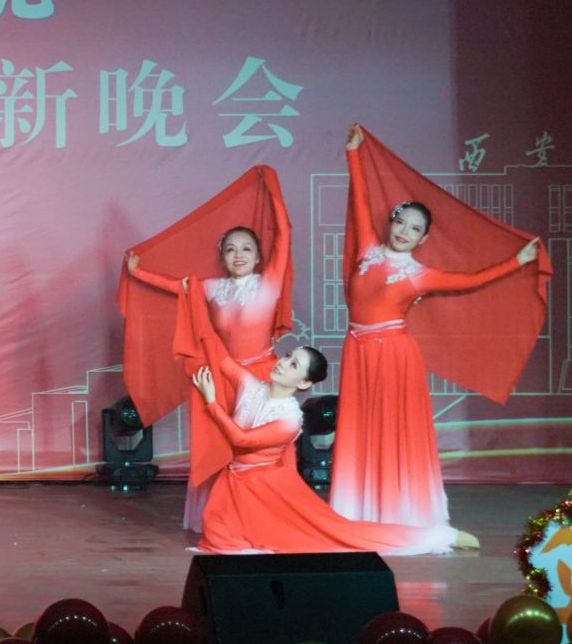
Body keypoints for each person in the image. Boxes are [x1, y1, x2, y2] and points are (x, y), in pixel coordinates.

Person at [332, 124, 543, 527]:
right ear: (390, 223)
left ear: (424, 238)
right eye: (401, 222)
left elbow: (472, 281)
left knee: (392, 430)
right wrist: (354, 154)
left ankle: (401, 508)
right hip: (357, 349)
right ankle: (359, 506)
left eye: (415, 228)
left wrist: (516, 262)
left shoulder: (420, 275)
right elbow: (360, 199)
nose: (404, 231)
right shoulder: (367, 248)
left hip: (394, 355)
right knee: (361, 428)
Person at [178, 277, 472, 555]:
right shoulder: (250, 385)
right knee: (217, 536)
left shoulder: (289, 419)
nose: (283, 364)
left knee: (337, 536)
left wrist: (212, 402)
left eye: (294, 365)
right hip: (235, 486)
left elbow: (240, 439)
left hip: (268, 491)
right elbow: (217, 352)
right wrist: (195, 304)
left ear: (304, 383)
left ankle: (437, 537)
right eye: (287, 357)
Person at [122, 166, 293, 532]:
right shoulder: (214, 288)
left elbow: (285, 233)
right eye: (230, 249)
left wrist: (274, 190)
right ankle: (220, 517)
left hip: (262, 377)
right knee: (220, 446)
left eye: (246, 248)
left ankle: (258, 516)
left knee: (253, 450)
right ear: (222, 257)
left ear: (259, 257)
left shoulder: (270, 282)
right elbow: (177, 288)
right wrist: (138, 274)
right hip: (221, 377)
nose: (238, 254)